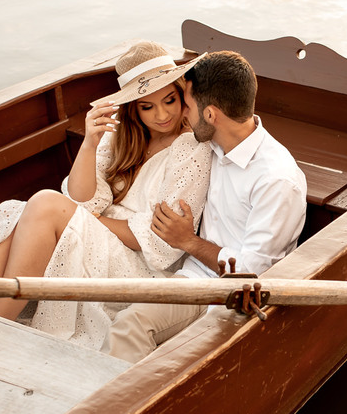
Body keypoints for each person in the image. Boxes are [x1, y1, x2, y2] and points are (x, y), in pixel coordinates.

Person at [0, 42, 212, 349]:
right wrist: (90, 144)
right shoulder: (122, 134)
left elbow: (160, 242)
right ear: (133, 108)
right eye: (147, 106)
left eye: (169, 100)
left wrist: (91, 219)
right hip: (104, 240)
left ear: (180, 92)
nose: (162, 115)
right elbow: (82, 201)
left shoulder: (191, 149)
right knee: (12, 211)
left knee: (44, 204)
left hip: (142, 267)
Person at [104, 50, 307, 361]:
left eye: (186, 104)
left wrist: (188, 241)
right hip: (192, 279)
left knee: (154, 343)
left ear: (211, 115)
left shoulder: (276, 180)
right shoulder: (213, 142)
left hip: (235, 298)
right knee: (129, 323)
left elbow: (251, 272)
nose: (181, 114)